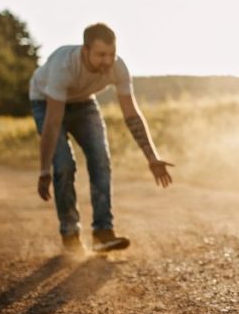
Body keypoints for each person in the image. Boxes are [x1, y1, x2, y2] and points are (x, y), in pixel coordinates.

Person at [30, 23, 173, 254]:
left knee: (100, 160)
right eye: (100, 55)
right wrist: (44, 170)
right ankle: (70, 234)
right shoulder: (63, 66)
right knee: (65, 165)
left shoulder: (118, 68)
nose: (107, 61)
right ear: (85, 50)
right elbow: (53, 122)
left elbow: (131, 114)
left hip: (84, 102)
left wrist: (152, 157)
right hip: (46, 103)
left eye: (111, 54)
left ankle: (102, 233)